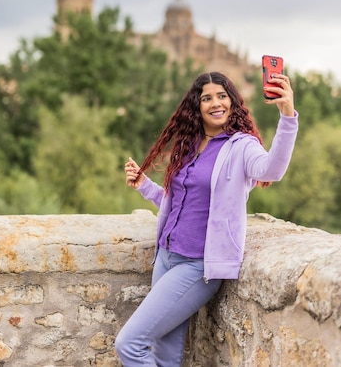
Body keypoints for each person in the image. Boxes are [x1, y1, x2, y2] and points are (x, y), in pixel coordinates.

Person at [115, 70, 298, 367]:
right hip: (165, 257)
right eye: (207, 97)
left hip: (197, 266)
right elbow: (182, 205)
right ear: (197, 106)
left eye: (222, 96)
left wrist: (287, 116)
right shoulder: (190, 144)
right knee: (166, 355)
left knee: (129, 344)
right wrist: (145, 186)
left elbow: (272, 170)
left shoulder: (241, 146)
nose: (216, 103)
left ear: (233, 101)